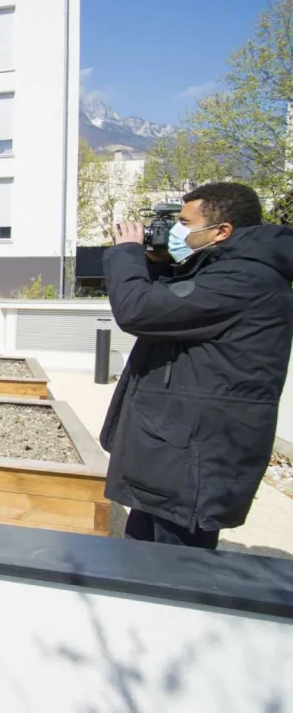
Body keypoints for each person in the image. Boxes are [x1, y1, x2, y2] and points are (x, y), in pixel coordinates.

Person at [101, 182, 293, 549]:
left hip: (192, 463)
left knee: (177, 576)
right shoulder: (225, 272)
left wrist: (126, 254)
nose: (177, 230)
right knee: (139, 561)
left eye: (186, 223)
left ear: (222, 231)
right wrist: (157, 265)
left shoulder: (245, 281)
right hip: (173, 455)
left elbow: (139, 311)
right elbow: (170, 313)